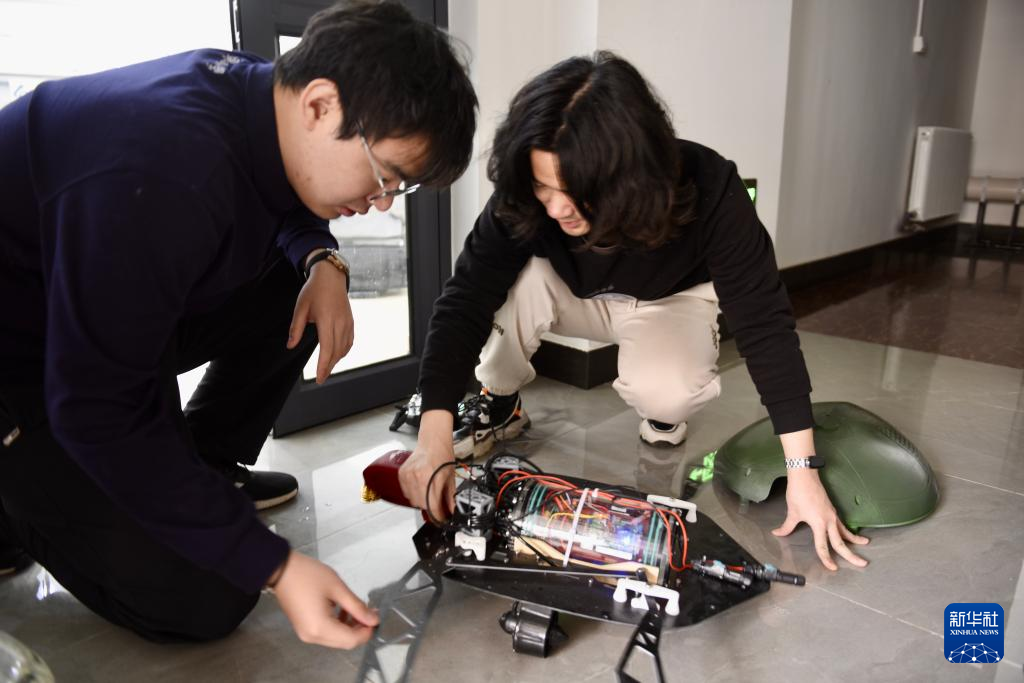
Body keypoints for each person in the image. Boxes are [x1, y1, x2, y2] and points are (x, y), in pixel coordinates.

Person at [0, 1, 476, 648]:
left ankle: (203, 464)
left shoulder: (255, 94)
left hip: (88, 314)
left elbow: (281, 191)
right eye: (385, 175)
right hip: (26, 367)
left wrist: (323, 260)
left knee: (296, 289)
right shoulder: (164, 168)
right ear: (320, 105)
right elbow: (96, 405)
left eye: (400, 188)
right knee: (211, 593)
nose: (381, 202)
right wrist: (275, 566)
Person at [399, 52, 869, 572]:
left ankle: (662, 412)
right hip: (569, 293)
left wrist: (802, 471)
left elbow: (765, 325)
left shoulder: (713, 188)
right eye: (542, 186)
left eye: (574, 191)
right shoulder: (528, 197)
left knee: (668, 390)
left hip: (669, 300)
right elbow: (464, 299)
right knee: (514, 282)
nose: (555, 207)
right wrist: (433, 437)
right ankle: (500, 400)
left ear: (629, 175)